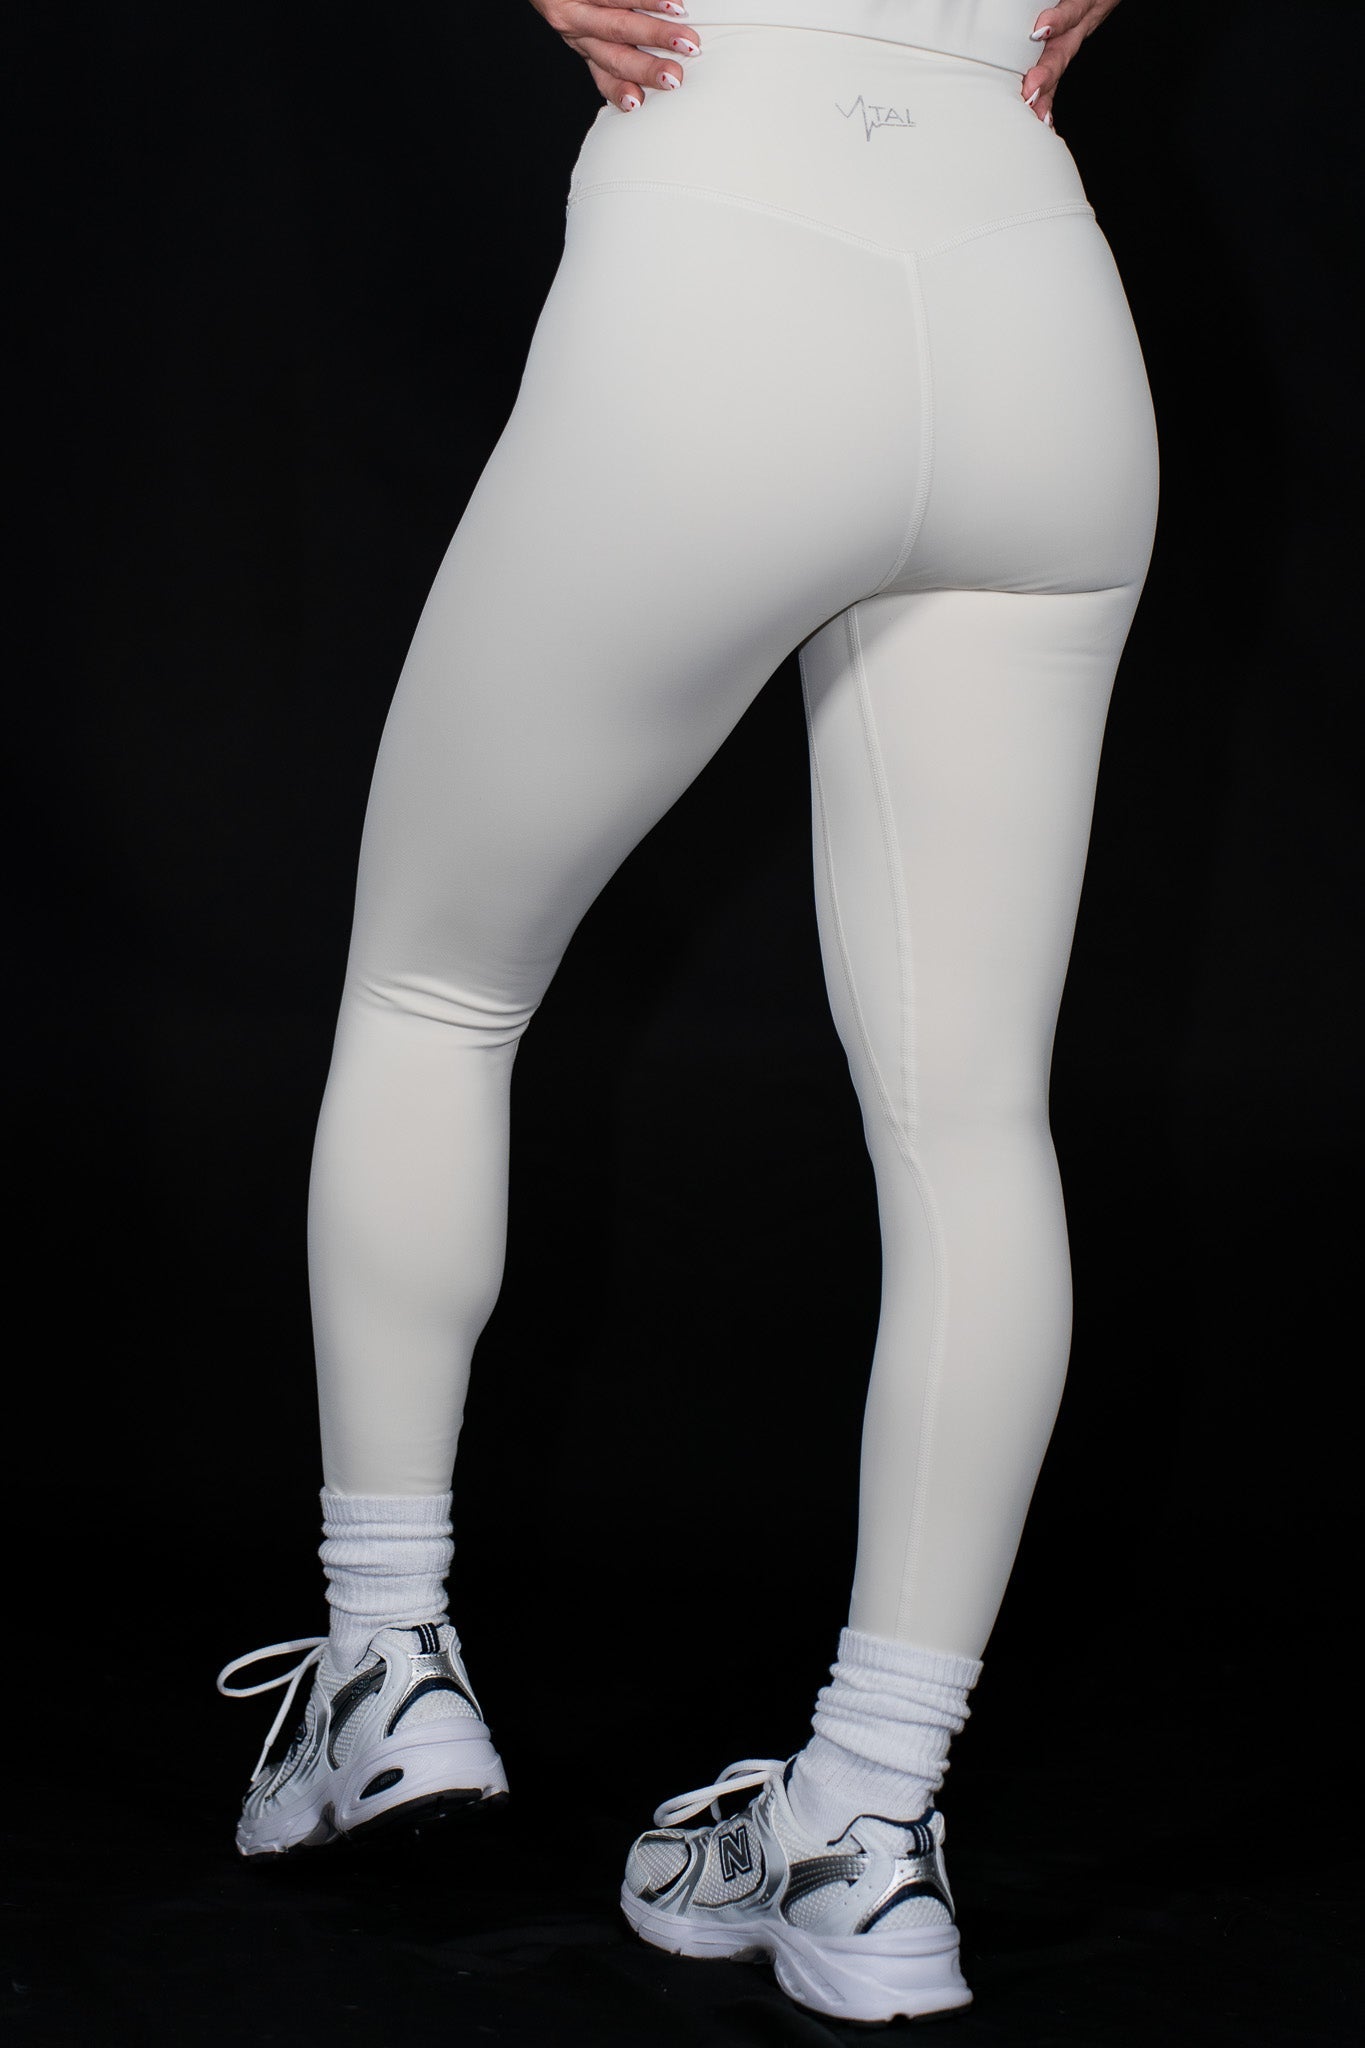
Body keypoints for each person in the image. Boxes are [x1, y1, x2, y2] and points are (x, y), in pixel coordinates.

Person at [215, 0, 1153, 2024]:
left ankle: (383, 1663)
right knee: (973, 1116)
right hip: (1035, 301)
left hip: (730, 257)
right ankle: (864, 1826)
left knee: (434, 988)